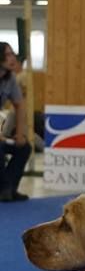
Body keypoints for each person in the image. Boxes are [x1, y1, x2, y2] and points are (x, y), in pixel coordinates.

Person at [0, 42, 31, 202]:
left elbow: (19, 106)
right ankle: (4, 188)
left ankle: (10, 188)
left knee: (24, 147)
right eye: (8, 55)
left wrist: (19, 134)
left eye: (13, 54)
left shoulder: (10, 78)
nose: (13, 58)